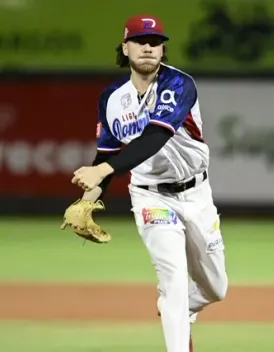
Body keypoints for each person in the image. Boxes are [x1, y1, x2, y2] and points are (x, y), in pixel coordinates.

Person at [68, 14, 228, 352]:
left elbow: (155, 137)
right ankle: (175, 320)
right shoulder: (111, 99)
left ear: (162, 50)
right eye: (140, 41)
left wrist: (103, 170)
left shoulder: (179, 84)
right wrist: (88, 199)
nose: (148, 47)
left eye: (155, 42)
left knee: (216, 288)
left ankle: (181, 308)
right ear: (125, 47)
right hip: (150, 197)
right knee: (172, 276)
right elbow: (104, 158)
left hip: (196, 194)